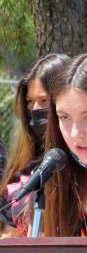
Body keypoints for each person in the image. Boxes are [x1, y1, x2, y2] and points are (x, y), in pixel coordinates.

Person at [0, 53, 70, 236]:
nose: (35, 110)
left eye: (44, 101)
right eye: (30, 102)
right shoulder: (24, 171)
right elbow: (8, 238)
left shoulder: (86, 169)